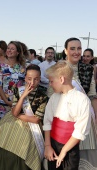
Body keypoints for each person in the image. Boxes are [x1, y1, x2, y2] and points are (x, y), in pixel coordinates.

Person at [0, 64, 48, 170]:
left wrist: (18, 115)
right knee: (3, 132)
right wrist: (23, 96)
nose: (32, 82)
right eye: (29, 79)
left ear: (40, 79)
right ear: (25, 78)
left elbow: (36, 119)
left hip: (31, 126)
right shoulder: (19, 90)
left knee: (26, 140)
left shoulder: (43, 96)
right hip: (14, 119)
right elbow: (14, 112)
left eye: (36, 79)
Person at [47, 37, 97, 169]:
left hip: (82, 117)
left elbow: (92, 95)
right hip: (61, 120)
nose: (76, 52)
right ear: (65, 50)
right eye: (72, 48)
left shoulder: (88, 68)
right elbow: (50, 94)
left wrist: (96, 117)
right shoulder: (57, 68)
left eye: (79, 48)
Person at [43, 61, 91, 170]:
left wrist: (64, 150)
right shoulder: (54, 98)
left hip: (70, 148)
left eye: (51, 81)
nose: (50, 84)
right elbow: (47, 122)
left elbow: (80, 131)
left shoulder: (82, 100)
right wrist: (48, 146)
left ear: (61, 79)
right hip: (53, 146)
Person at [0, 41, 26, 120]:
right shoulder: (1, 67)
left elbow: (25, 85)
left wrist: (19, 101)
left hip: (18, 103)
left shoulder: (23, 68)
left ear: (18, 52)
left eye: (12, 49)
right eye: (8, 48)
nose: (9, 50)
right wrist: (6, 101)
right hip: (3, 103)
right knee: (3, 126)